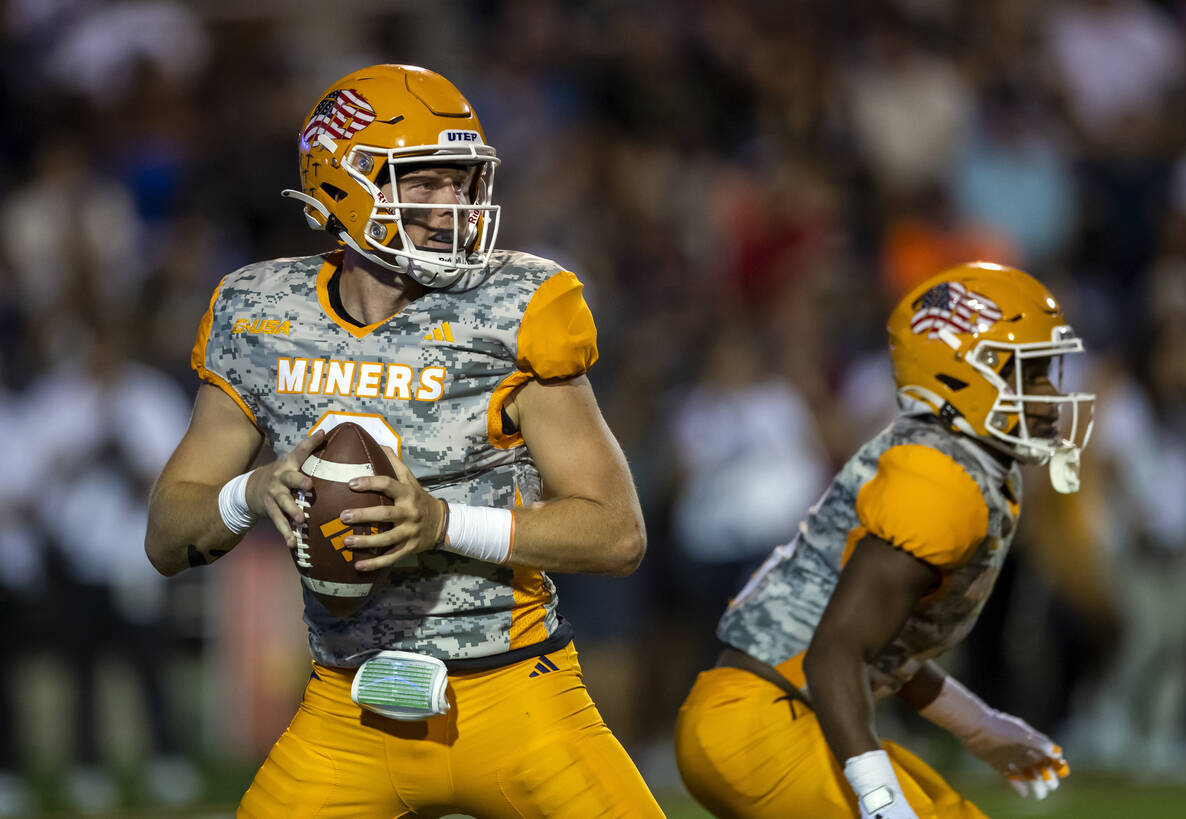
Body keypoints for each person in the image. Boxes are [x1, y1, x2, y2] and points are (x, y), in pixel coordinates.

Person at [145, 63, 665, 818]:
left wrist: (443, 522)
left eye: (462, 181)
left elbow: (618, 533)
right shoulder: (259, 312)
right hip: (347, 704)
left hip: (514, 693)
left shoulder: (514, 306)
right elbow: (166, 534)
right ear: (341, 184)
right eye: (422, 182)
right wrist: (251, 491)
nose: (450, 205)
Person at [675, 261, 1095, 818]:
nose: (1050, 395)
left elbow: (875, 647)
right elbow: (835, 654)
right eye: (1031, 373)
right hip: (761, 722)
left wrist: (981, 726)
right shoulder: (938, 484)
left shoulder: (961, 466)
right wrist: (880, 799)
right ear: (959, 375)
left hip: (776, 713)